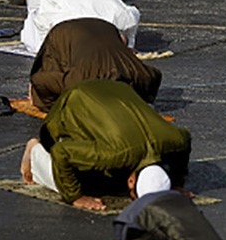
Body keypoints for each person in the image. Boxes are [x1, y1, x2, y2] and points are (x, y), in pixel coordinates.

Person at [19, 79, 190, 211]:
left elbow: (186, 139)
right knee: (69, 179)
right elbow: (61, 153)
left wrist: (176, 183)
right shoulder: (114, 154)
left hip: (118, 90)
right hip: (72, 104)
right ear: (131, 181)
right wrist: (75, 196)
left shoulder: (173, 140)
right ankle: (34, 150)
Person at [30, 18, 162, 112]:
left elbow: (39, 80)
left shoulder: (81, 81)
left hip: (92, 28)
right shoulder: (141, 77)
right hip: (96, 27)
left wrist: (45, 102)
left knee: (55, 62)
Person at [21, 0, 141, 53]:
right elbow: (41, 21)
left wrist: (130, 45)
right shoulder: (68, 21)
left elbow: (135, 15)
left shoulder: (122, 17)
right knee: (34, 42)